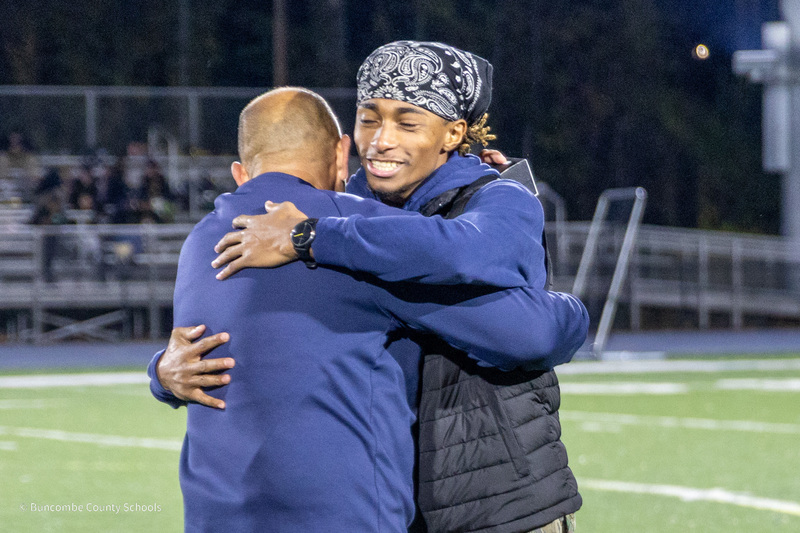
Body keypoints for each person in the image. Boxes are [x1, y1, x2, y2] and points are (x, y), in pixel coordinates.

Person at [148, 87, 588, 532]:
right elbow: (529, 333)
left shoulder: (198, 243)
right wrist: (573, 312)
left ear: (240, 173)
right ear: (342, 154)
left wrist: (161, 374)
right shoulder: (358, 233)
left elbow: (229, 347)